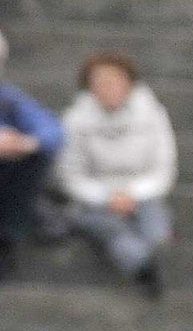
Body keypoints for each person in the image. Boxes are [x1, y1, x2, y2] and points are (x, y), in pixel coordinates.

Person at [53, 55, 174, 298]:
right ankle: (142, 266)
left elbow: (164, 166)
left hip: (142, 193)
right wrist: (107, 196)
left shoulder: (153, 115)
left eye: (115, 80)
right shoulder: (75, 120)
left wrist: (133, 193)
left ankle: (141, 262)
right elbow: (70, 173)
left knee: (155, 232)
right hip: (96, 197)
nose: (108, 88)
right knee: (110, 228)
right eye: (100, 82)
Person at [0, 33, 64, 285]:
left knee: (37, 157)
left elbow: (52, 131)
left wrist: (24, 143)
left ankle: (5, 239)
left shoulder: (8, 99)